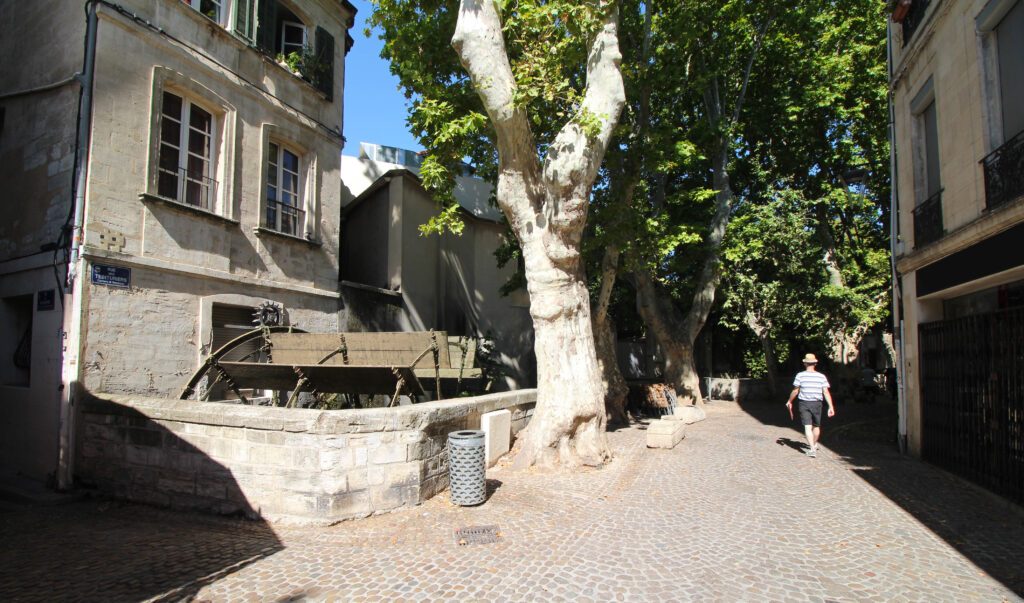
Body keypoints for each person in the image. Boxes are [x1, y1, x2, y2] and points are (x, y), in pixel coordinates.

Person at [785, 353, 835, 458]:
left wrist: (789, 401)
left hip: (804, 403)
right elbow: (826, 392)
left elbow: (795, 391)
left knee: (807, 427)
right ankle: (814, 444)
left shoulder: (800, 375)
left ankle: (812, 448)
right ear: (815, 363)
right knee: (816, 426)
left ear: (805, 363)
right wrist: (831, 406)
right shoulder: (821, 377)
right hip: (817, 403)